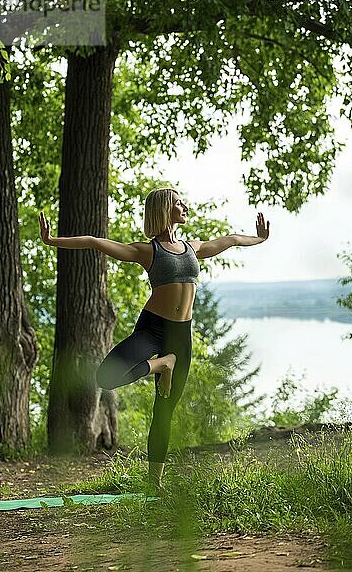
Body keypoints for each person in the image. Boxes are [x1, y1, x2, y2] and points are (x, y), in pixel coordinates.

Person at [39, 187, 270, 490]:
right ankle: (162, 364)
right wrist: (52, 241)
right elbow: (96, 243)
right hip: (153, 328)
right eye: (178, 203)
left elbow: (231, 240)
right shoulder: (148, 251)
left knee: (164, 410)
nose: (185, 206)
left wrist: (260, 239)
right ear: (165, 209)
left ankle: (154, 483)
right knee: (106, 377)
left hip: (180, 335)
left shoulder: (192, 247)